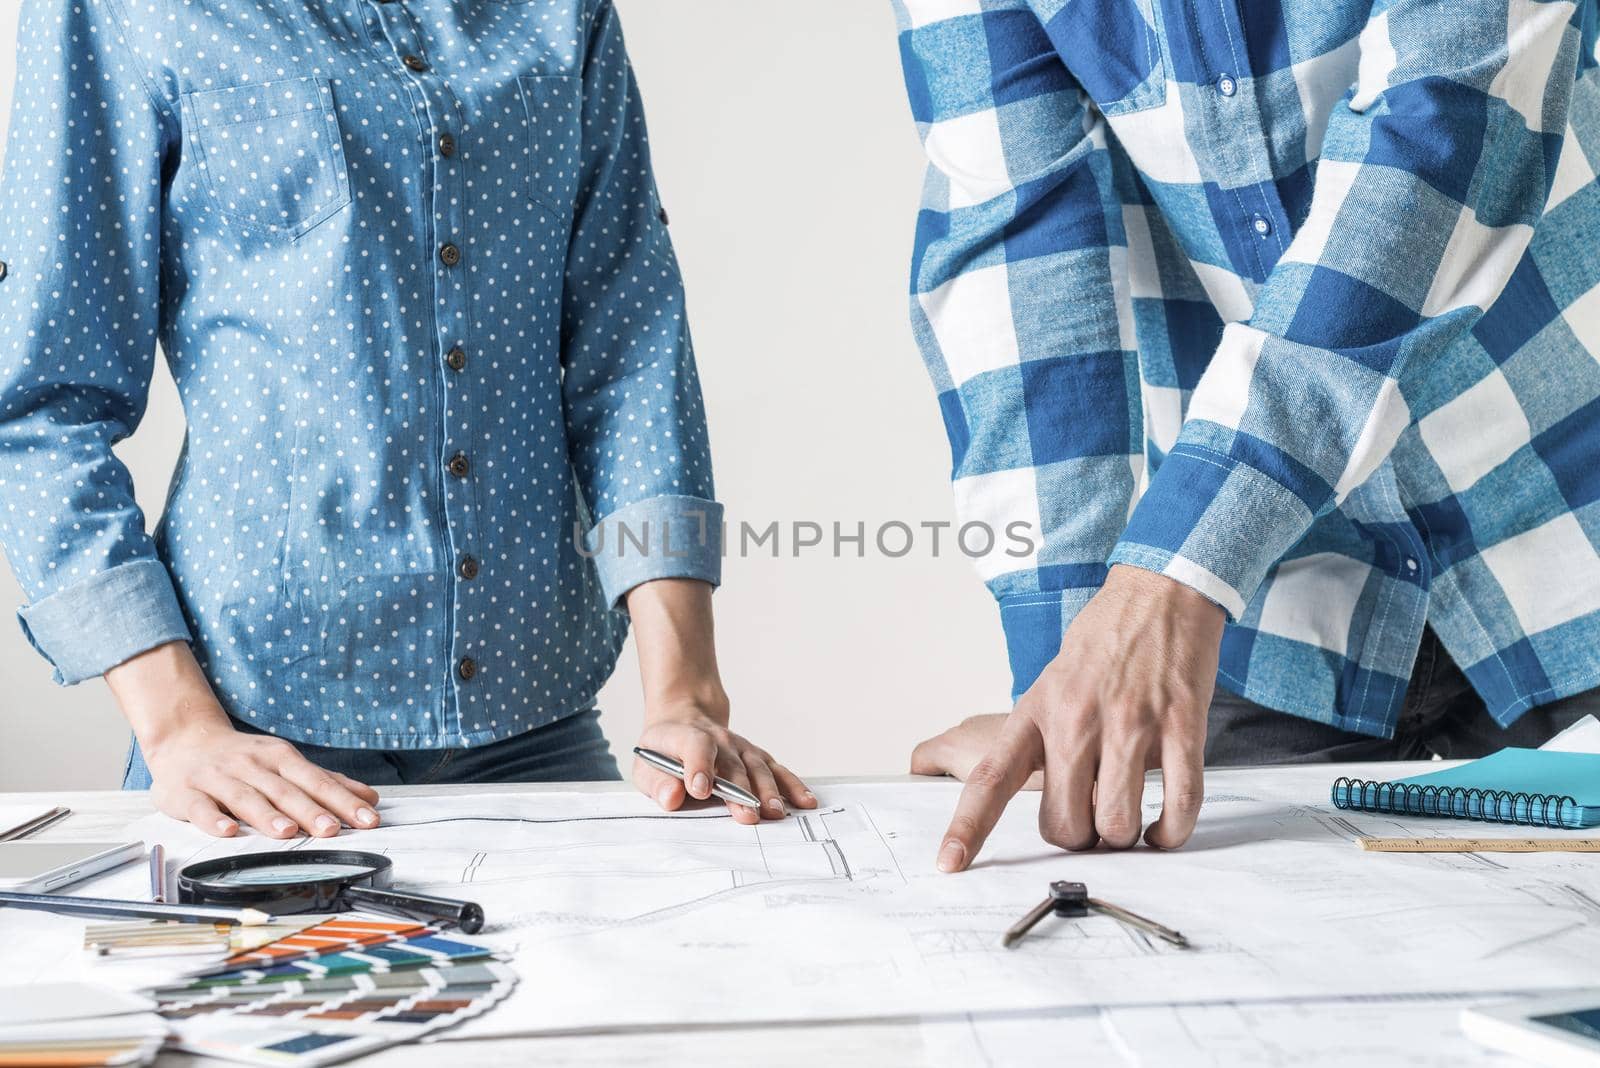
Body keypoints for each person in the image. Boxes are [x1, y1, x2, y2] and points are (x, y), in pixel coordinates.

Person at [0, 0, 813, 837]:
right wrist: (177, 727)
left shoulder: (563, 13)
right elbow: (40, 407)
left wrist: (685, 694)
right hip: (250, 727)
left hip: (532, 718)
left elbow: (630, 340)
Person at [891, 0, 1600, 868]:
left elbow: (1442, 132)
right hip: (1271, 603)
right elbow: (1019, 241)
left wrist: (1181, 565)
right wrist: (1072, 670)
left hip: (1569, 517)